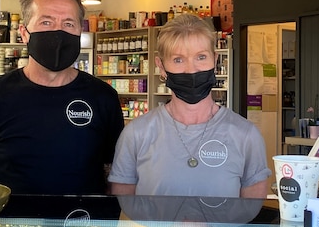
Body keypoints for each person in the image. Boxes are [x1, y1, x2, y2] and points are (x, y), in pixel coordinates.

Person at [0, 0, 124, 195]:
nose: (58, 32)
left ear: (79, 33)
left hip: (82, 224)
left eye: (68, 24)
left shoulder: (103, 98)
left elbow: (116, 171)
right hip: (11, 225)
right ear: (24, 33)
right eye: (46, 22)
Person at [109, 13, 270, 197]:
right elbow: (125, 209)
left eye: (201, 57)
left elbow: (249, 214)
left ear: (215, 60)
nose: (191, 69)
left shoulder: (246, 135)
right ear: (161, 66)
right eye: (178, 59)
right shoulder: (136, 134)